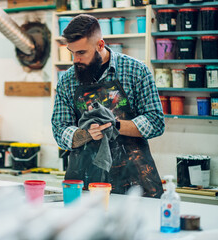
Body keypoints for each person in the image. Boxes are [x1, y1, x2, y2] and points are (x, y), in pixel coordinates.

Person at [51, 14, 164, 198]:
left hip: (134, 181)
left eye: (81, 53)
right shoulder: (68, 81)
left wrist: (115, 125)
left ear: (100, 45)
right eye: (72, 52)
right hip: (85, 181)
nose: (75, 60)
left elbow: (156, 121)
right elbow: (59, 129)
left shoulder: (135, 71)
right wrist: (86, 134)